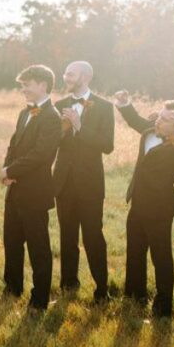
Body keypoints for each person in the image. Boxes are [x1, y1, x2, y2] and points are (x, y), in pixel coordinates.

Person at [114, 92, 174, 317]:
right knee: (135, 251)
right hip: (137, 203)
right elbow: (137, 121)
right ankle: (134, 295)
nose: (158, 120)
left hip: (159, 208)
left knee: (161, 257)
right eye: (160, 115)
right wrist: (124, 104)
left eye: (166, 119)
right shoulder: (150, 131)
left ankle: (163, 306)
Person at [1, 65, 62, 311]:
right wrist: (7, 170)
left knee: (38, 248)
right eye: (22, 85)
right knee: (12, 242)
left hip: (35, 192)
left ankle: (39, 300)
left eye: (27, 84)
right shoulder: (24, 113)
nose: (23, 89)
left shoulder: (51, 116)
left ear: (43, 85)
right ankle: (12, 289)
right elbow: (14, 144)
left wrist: (11, 171)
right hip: (15, 189)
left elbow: (41, 155)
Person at [52, 60, 114, 301]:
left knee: (93, 236)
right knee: (67, 236)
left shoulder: (104, 107)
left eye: (71, 74)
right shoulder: (59, 105)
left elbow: (107, 146)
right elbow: (54, 142)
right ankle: (68, 286)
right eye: (65, 73)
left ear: (86, 77)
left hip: (90, 184)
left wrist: (79, 126)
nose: (66, 77)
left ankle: (102, 290)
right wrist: (64, 130)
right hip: (63, 182)